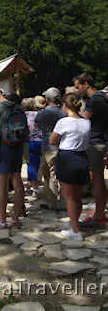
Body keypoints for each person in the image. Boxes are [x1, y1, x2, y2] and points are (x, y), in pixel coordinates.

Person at [50, 93, 91, 241]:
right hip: (82, 157)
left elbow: (52, 140)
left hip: (67, 157)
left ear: (65, 106)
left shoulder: (63, 122)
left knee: (69, 197)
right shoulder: (86, 122)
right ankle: (75, 223)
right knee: (78, 196)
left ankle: (75, 229)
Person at [0, 91, 26, 229]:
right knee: (17, 181)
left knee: (2, 186)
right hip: (17, 147)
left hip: (3, 149)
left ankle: (2, 220)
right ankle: (16, 218)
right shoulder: (19, 108)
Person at [74, 73, 108, 227]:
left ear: (86, 83)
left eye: (78, 86)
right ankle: (100, 212)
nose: (77, 89)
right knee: (98, 180)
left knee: (98, 181)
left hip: (95, 143)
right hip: (100, 141)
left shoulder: (95, 100)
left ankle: (99, 216)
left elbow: (82, 120)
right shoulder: (101, 97)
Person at [35, 88, 65, 208]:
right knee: (58, 173)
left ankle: (51, 201)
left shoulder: (43, 113)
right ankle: (62, 199)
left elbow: (36, 125)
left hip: (47, 145)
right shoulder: (63, 112)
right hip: (61, 145)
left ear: (47, 99)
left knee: (48, 175)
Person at [24, 98, 42, 194]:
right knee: (36, 163)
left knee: (30, 164)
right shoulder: (38, 114)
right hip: (39, 141)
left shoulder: (22, 115)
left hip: (27, 141)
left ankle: (32, 185)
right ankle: (34, 183)